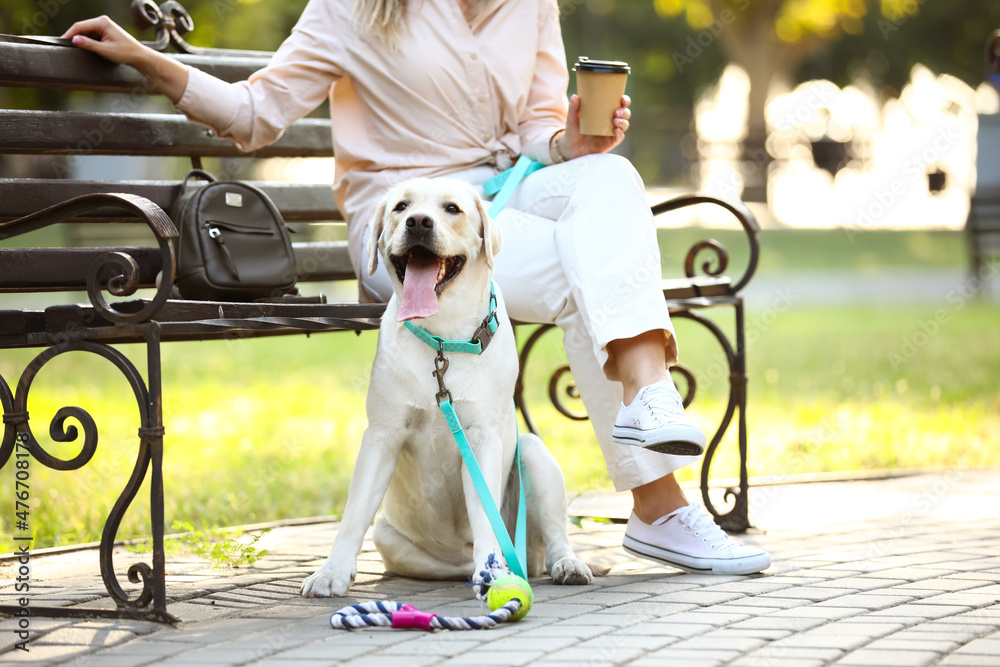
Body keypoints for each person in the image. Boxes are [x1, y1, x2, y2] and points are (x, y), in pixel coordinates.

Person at [63, 0, 770, 575]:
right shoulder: (354, 8)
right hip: (404, 231)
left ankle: (650, 398)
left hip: (500, 206)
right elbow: (257, 114)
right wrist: (151, 61)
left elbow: (535, 129)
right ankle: (659, 503)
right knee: (586, 261)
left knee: (611, 177)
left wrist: (572, 145)